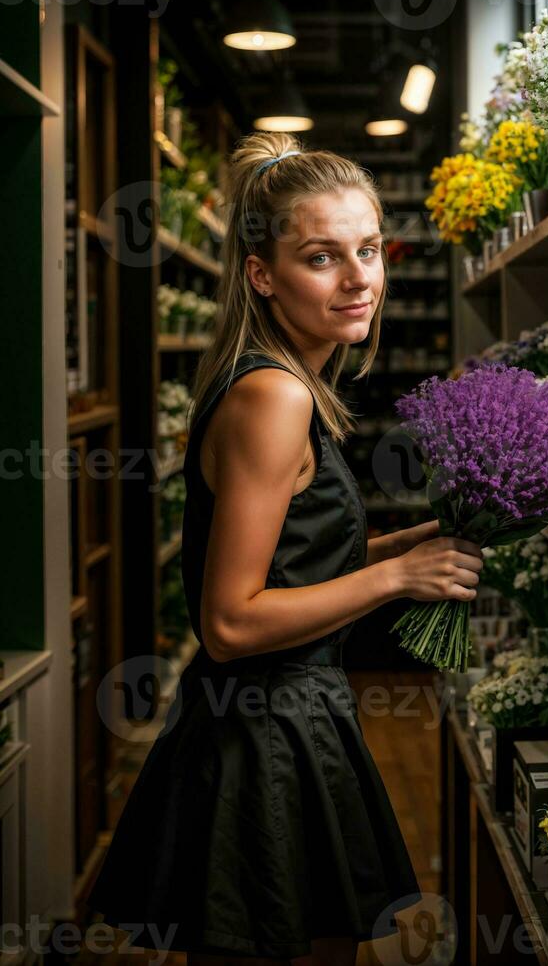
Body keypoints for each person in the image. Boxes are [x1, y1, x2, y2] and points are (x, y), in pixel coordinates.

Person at [86, 131, 483, 966]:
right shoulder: (274, 396)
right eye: (321, 257)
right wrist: (396, 576)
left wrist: (411, 541)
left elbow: (293, 560)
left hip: (286, 723)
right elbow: (230, 621)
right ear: (261, 275)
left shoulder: (288, 380)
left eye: (368, 249)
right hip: (260, 737)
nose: (357, 278)